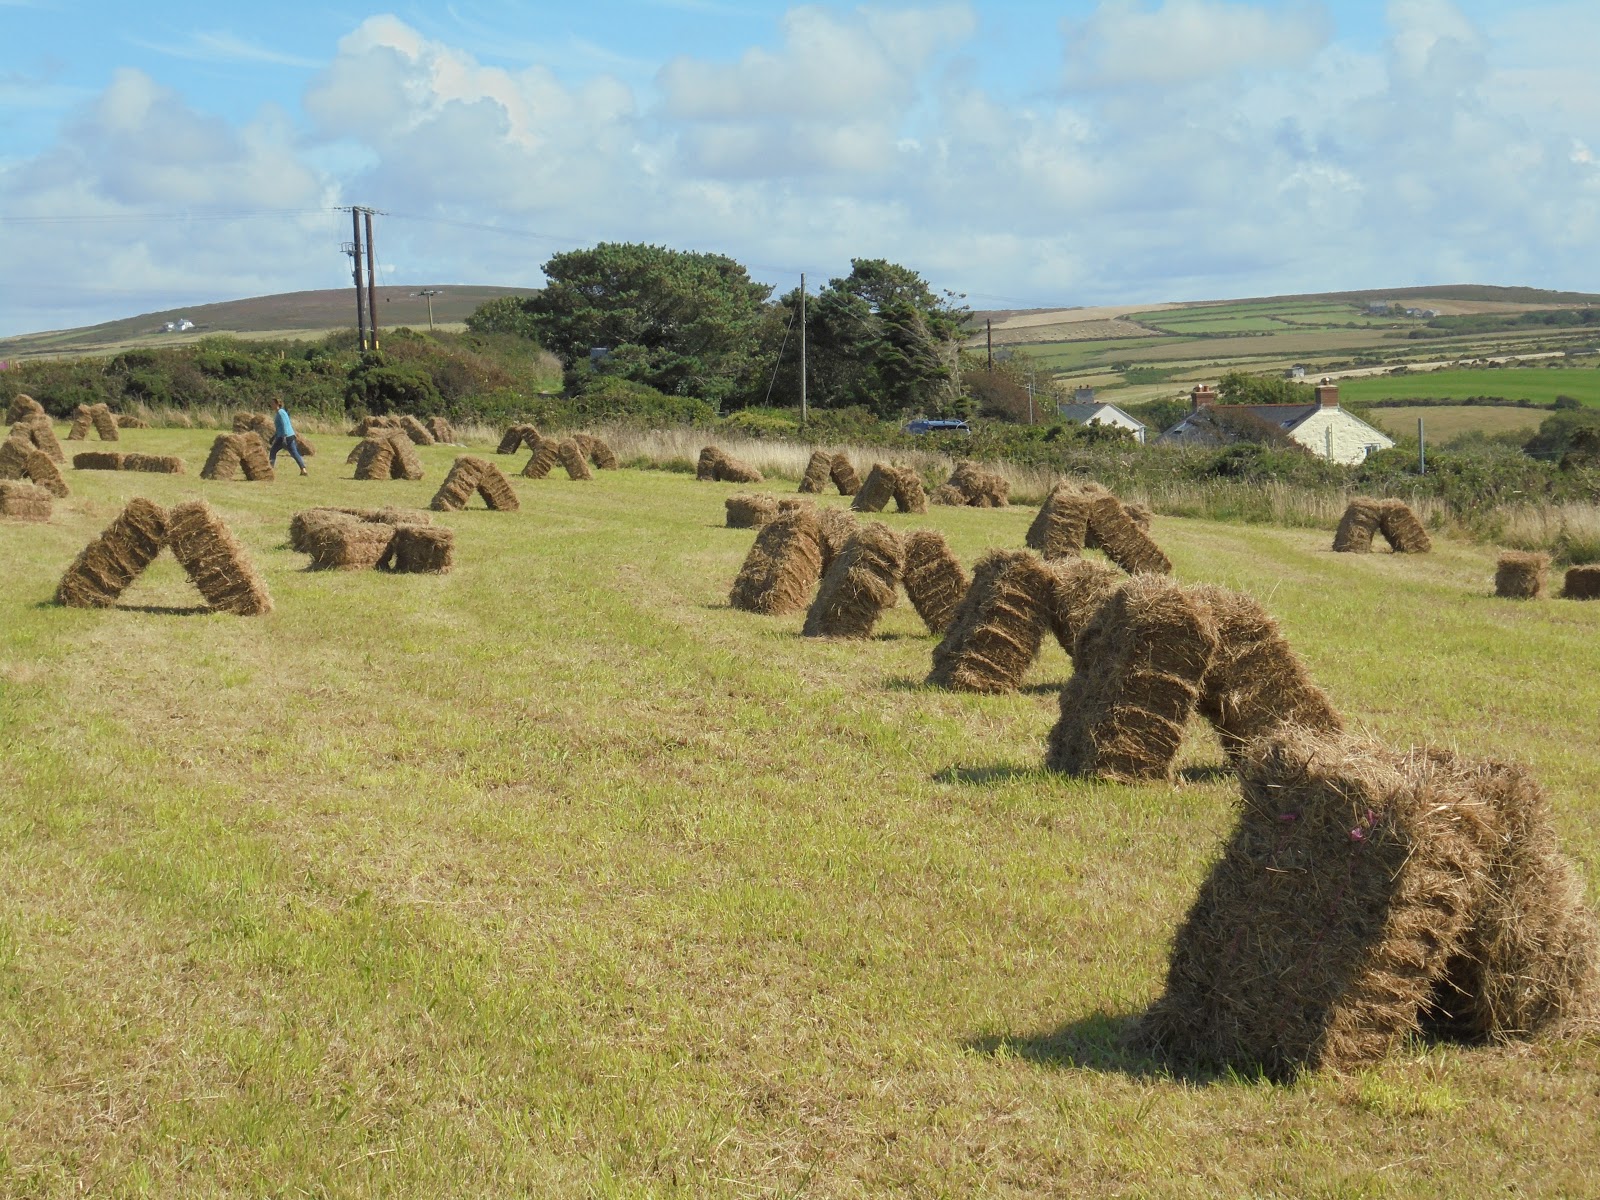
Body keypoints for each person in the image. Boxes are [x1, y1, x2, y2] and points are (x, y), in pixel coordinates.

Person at [269, 400, 308, 475]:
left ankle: (270, 470)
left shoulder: (280, 413)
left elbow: (284, 425)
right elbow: (279, 427)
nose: (271, 405)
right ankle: (303, 469)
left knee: (273, 451)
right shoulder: (281, 412)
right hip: (287, 436)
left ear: (277, 404)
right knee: (294, 453)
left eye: (272, 403)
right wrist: (273, 437)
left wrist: (284, 437)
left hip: (284, 436)